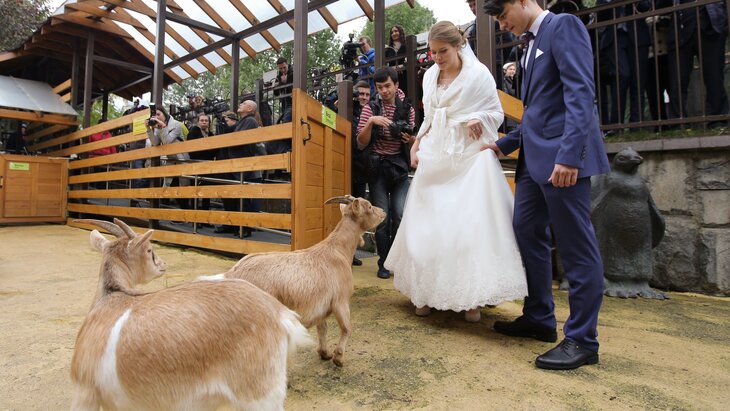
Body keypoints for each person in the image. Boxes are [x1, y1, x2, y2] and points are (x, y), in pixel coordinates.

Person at [483, 0, 610, 370]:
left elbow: (580, 94)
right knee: (526, 230)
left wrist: (570, 156)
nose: (502, 25)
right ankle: (539, 317)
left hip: (562, 162)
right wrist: (504, 144)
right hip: (533, 161)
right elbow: (539, 111)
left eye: (503, 15)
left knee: (575, 246)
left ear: (523, 1)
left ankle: (583, 339)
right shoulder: (530, 43)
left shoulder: (563, 26)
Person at [384, 21, 527, 323]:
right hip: (437, 151)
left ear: (458, 46)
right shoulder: (429, 76)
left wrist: (478, 117)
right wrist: (416, 144)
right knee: (429, 224)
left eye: (443, 51)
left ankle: (470, 298)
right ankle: (425, 292)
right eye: (433, 52)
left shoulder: (479, 74)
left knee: (466, 225)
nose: (437, 57)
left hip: (468, 153)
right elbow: (429, 116)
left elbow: (495, 112)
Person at [356, 66, 415, 279]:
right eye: (380, 87)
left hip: (399, 167)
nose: (384, 91)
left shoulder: (407, 107)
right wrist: (371, 122)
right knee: (382, 218)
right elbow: (360, 142)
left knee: (399, 214)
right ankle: (384, 263)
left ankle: (397, 261)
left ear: (396, 85)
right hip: (377, 168)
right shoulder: (370, 108)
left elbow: (413, 139)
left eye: (388, 86)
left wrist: (411, 139)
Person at [658, 0, 728, 128]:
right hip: (680, 29)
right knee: (677, 80)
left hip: (710, 25)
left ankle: (717, 119)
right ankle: (678, 122)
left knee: (714, 77)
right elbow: (659, 4)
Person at [215, 101, 266, 236]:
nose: (240, 104)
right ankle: (235, 225)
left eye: (243, 103)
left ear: (249, 108)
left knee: (243, 198)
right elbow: (229, 133)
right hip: (236, 163)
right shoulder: (242, 121)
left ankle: (245, 228)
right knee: (234, 196)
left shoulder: (250, 121)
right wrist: (223, 122)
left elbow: (237, 139)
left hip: (242, 164)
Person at [146, 106, 191, 197]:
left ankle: (185, 202)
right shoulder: (158, 127)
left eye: (158, 114)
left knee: (184, 184)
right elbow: (155, 143)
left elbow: (167, 141)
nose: (157, 117)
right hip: (170, 158)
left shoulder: (177, 124)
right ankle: (166, 201)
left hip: (181, 157)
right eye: (155, 115)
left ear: (165, 114)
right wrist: (148, 129)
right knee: (167, 183)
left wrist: (162, 126)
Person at [385, 25, 408, 97]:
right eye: (392, 32)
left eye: (396, 31)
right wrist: (393, 68)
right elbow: (384, 65)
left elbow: (414, 60)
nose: (394, 34)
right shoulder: (388, 49)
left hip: (407, 76)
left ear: (400, 32)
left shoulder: (407, 45)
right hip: (394, 78)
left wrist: (402, 66)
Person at [273, 57, 294, 121]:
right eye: (280, 68)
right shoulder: (278, 77)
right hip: (284, 103)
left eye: (284, 67)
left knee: (286, 120)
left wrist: (285, 82)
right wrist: (281, 83)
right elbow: (276, 93)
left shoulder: (294, 73)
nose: (283, 70)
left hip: (293, 101)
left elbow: (295, 87)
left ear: (287, 64)